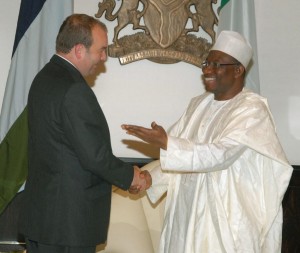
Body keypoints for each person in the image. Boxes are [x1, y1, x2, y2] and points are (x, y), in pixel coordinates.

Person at [122, 30, 293, 253]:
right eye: (207, 63)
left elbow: (220, 155)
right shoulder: (197, 105)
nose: (207, 70)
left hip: (225, 221)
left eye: (217, 64)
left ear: (238, 70)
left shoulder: (252, 109)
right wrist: (150, 178)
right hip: (186, 216)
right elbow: (179, 157)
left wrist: (167, 143)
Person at [19, 14, 150, 253]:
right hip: (68, 225)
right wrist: (131, 176)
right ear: (79, 50)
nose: (103, 58)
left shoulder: (44, 78)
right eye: (101, 50)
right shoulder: (73, 90)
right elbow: (94, 156)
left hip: (43, 219)